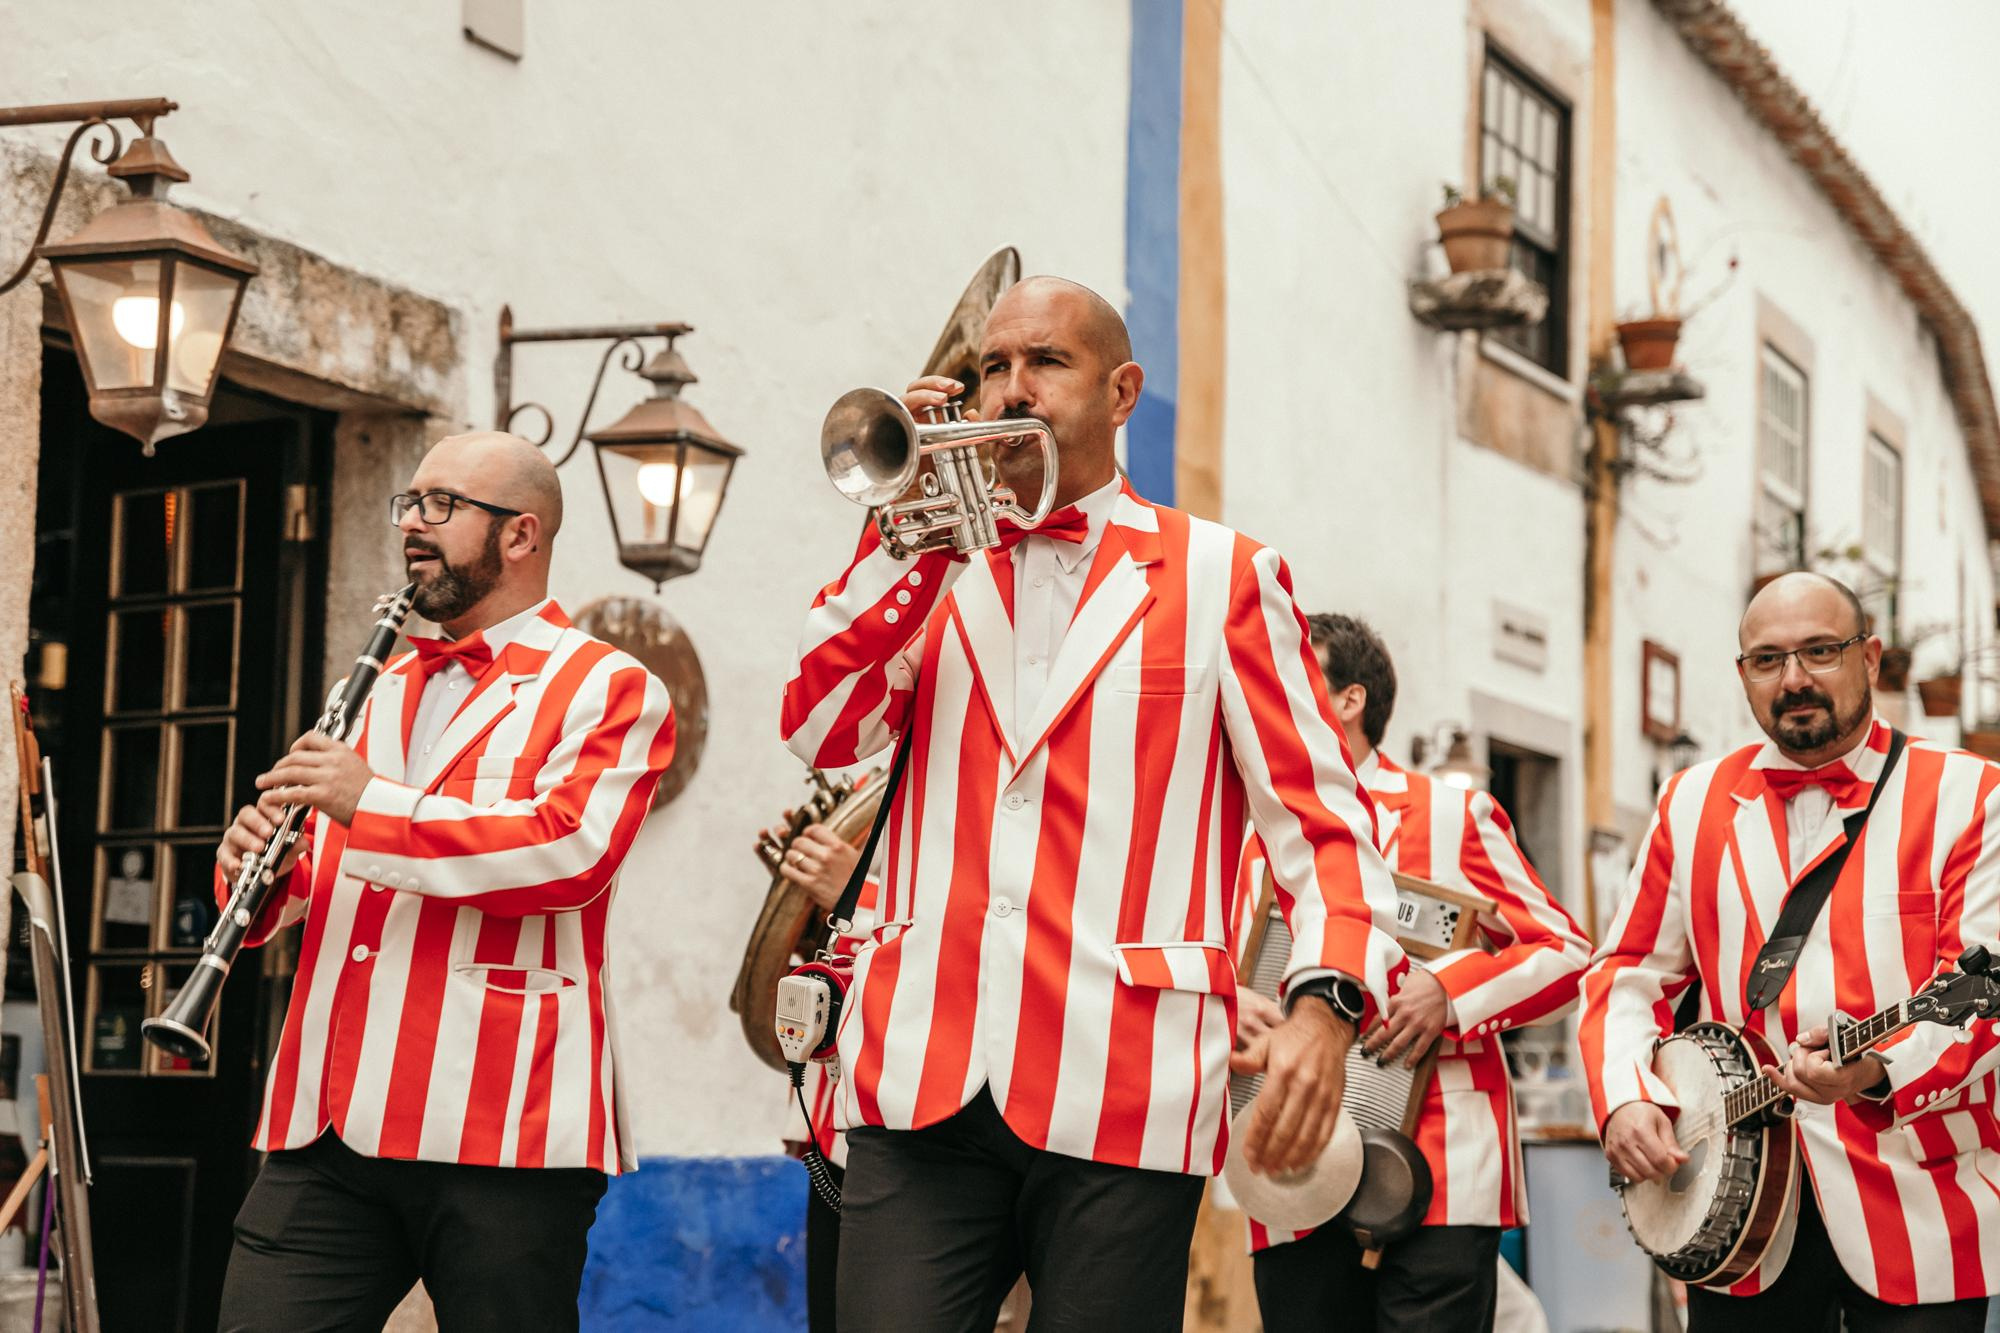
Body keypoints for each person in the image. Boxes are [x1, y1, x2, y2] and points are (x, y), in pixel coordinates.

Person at [781, 275, 1405, 1330]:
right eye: (991, 366)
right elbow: (820, 727)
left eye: (1044, 363)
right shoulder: (926, 568)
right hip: (919, 1069)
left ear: (1120, 392)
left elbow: (1326, 828)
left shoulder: (1225, 575)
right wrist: (906, 545)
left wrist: (1326, 1002)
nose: (1010, 387)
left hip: (1126, 1078)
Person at [212, 431, 676, 1332]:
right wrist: (259, 870)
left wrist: (368, 802)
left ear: (520, 535)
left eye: (441, 506)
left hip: (500, 1118)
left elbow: (569, 853)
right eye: (408, 504)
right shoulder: (379, 685)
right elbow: (325, 876)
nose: (412, 526)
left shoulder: (608, 686)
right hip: (328, 1117)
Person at [1582, 571, 2000, 1331]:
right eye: (1768, 660)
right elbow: (1624, 972)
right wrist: (1627, 1094)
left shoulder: (1975, 795)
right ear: (1743, 675)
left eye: (1819, 651)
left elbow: (1985, 994)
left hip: (1923, 1205)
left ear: (1870, 658)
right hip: (1731, 1215)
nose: (1795, 678)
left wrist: (1875, 1067)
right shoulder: (1689, 802)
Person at [1234, 614, 1589, 1333]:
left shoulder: (1454, 812)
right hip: (1291, 1158)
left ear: (1348, 700)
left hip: (1442, 1168)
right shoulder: (1253, 827)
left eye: (1297, 673)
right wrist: (1229, 998)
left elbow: (1566, 951)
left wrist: (1451, 992)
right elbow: (1213, 952)